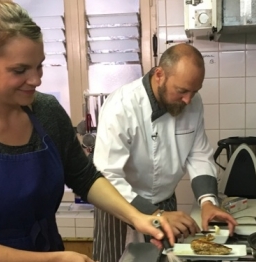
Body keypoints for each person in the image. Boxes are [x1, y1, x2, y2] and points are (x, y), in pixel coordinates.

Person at [0, 1, 175, 262]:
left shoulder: (46, 111)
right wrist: (55, 259)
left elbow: (83, 176)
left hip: (43, 251)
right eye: (20, 70)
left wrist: (138, 217)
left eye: (39, 66)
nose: (36, 80)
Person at [92, 43, 238, 262]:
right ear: (159, 74)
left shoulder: (192, 103)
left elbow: (199, 154)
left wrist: (208, 202)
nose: (189, 99)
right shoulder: (121, 106)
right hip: (120, 208)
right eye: (182, 91)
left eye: (194, 91)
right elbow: (107, 175)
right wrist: (153, 214)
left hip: (165, 205)